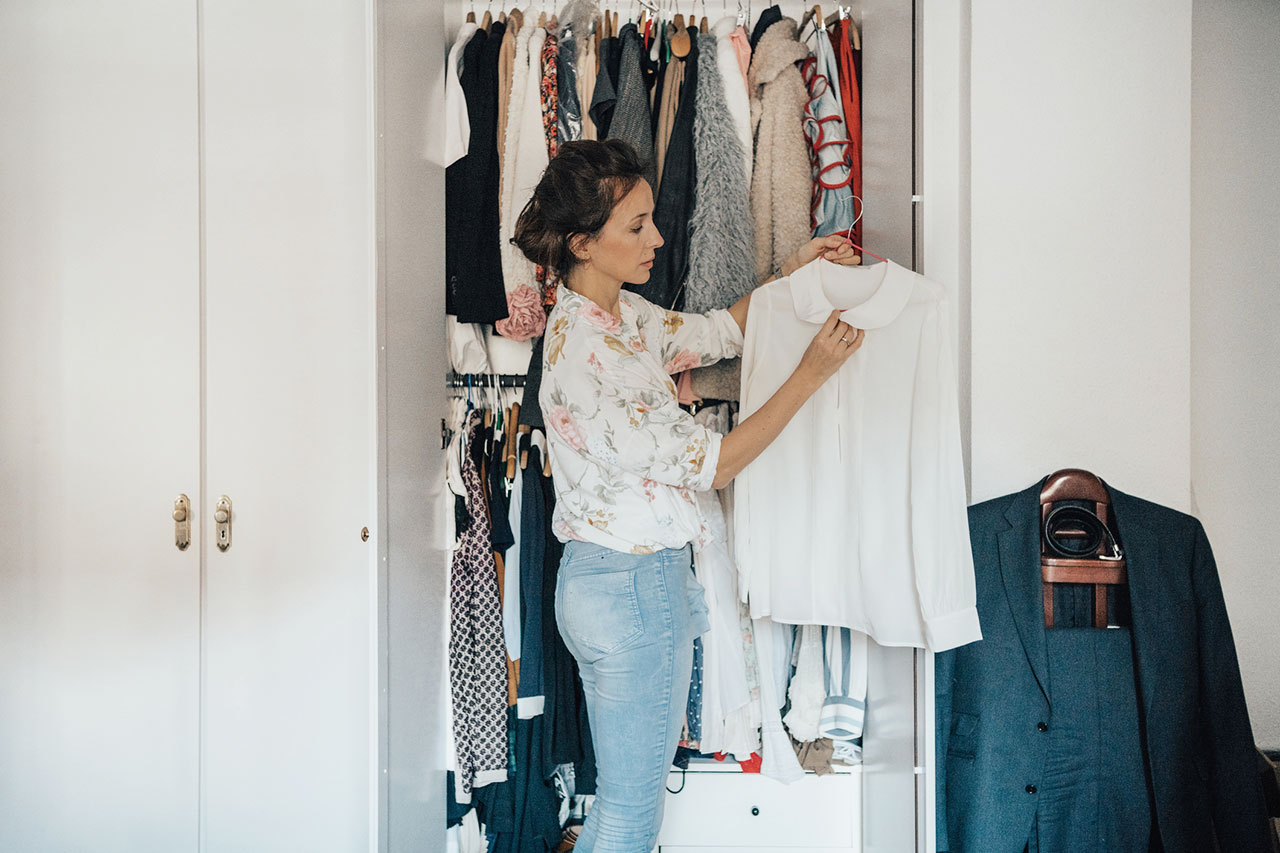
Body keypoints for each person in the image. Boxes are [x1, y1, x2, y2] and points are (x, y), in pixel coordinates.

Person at [512, 139, 864, 852]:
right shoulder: (592, 358)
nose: (659, 237)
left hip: (613, 583)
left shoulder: (615, 316)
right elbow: (720, 461)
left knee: (620, 804)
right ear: (583, 242)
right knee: (628, 817)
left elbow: (716, 331)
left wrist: (792, 274)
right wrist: (812, 372)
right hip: (633, 590)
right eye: (636, 226)